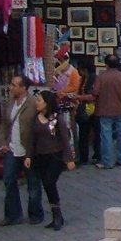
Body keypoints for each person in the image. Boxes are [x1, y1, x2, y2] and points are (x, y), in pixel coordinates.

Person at [0, 73, 44, 225]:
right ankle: (13, 214)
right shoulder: (9, 103)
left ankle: (35, 213)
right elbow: (4, 124)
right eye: (11, 84)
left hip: (28, 150)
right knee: (9, 180)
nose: (11, 87)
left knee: (33, 183)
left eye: (14, 85)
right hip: (11, 148)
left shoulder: (33, 103)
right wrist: (2, 141)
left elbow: (41, 125)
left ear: (23, 88)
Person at [28, 88, 75, 231]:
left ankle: (57, 214)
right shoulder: (36, 119)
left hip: (55, 156)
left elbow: (65, 139)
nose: (37, 103)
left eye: (39, 100)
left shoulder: (56, 119)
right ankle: (56, 215)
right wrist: (29, 156)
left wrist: (69, 158)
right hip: (41, 156)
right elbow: (32, 139)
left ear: (47, 103)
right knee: (47, 184)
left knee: (49, 181)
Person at [93, 54, 121, 170]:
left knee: (106, 136)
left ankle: (107, 161)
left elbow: (95, 93)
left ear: (106, 64)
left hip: (104, 110)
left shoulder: (101, 77)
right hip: (120, 110)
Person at [72, 54, 101, 166]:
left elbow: (93, 96)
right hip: (84, 110)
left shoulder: (94, 79)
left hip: (94, 109)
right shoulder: (83, 79)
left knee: (96, 134)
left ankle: (97, 155)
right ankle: (83, 157)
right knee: (83, 134)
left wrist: (79, 97)